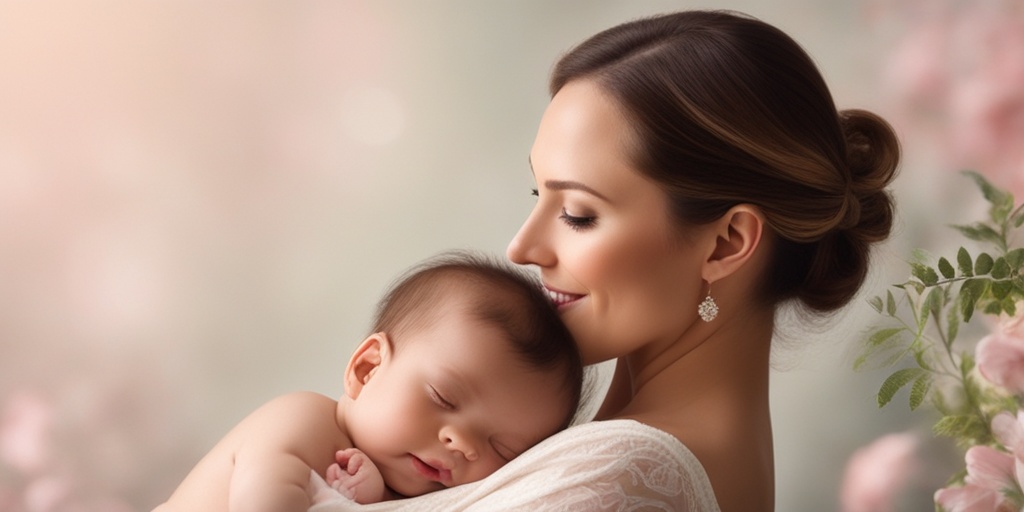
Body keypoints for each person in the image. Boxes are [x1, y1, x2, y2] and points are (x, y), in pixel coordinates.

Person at [308, 9, 900, 512]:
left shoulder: (622, 479)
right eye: (540, 196)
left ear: (725, 244)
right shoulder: (625, 456)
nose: (523, 249)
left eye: (580, 215)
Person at [153, 251, 583, 511]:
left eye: (501, 449)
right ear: (368, 368)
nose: (464, 444)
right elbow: (264, 492)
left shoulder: (405, 494)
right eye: (444, 397)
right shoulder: (308, 421)